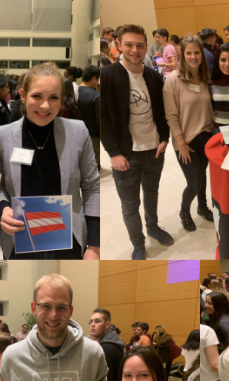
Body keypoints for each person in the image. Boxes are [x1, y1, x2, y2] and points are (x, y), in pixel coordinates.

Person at [0, 62, 100, 259]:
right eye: (37, 96)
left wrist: (94, 246)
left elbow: (92, 187)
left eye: (53, 98)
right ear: (23, 95)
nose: (45, 106)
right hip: (19, 240)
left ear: (61, 99)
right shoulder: (1, 135)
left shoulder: (78, 131)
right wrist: (3, 208)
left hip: (69, 240)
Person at [103, 24, 174, 259]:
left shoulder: (153, 76)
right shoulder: (108, 76)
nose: (135, 50)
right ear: (119, 46)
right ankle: (138, 243)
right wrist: (113, 153)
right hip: (126, 153)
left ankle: (153, 227)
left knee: (151, 193)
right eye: (129, 45)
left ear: (146, 47)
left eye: (140, 45)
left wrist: (164, 139)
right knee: (130, 204)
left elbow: (163, 111)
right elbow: (102, 119)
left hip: (154, 149)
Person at [161, 36, 215, 237]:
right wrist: (180, 143)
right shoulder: (173, 81)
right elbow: (171, 116)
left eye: (197, 52)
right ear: (182, 55)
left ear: (202, 54)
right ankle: (184, 211)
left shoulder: (205, 78)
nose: (193, 57)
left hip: (206, 138)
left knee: (202, 176)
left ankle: (203, 206)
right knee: (193, 182)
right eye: (189, 53)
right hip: (186, 141)